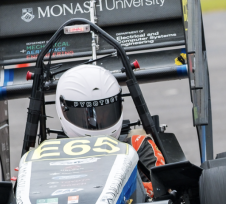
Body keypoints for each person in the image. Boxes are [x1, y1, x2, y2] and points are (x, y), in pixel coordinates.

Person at [55, 64, 165, 197]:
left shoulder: (137, 145)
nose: (96, 120)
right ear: (64, 110)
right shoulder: (51, 154)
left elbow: (162, 190)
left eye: (104, 111)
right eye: (86, 114)